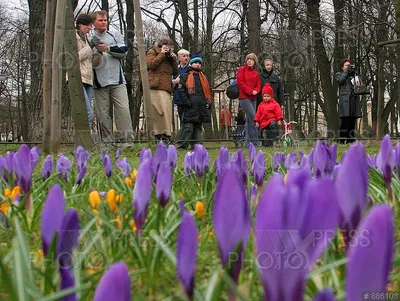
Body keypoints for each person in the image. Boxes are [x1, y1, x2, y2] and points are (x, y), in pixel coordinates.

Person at [90, 10, 134, 146]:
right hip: (99, 81)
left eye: (105, 20)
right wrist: (97, 51)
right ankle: (107, 143)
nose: (103, 22)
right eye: (100, 20)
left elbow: (124, 51)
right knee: (103, 114)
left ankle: (127, 141)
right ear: (93, 23)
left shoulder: (115, 34)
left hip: (118, 80)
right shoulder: (89, 37)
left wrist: (108, 48)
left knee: (123, 110)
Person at [146, 38, 179, 143]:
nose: (168, 48)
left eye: (170, 47)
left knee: (167, 113)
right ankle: (157, 136)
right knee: (158, 113)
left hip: (166, 88)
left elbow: (175, 72)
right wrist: (161, 54)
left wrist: (173, 59)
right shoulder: (153, 52)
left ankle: (166, 136)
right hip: (155, 86)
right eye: (166, 46)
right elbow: (151, 64)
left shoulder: (169, 57)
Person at [177, 53, 211, 149]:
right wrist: (187, 102)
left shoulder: (203, 78)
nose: (198, 64)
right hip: (190, 106)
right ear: (191, 64)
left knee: (198, 128)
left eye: (199, 63)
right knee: (188, 127)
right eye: (195, 62)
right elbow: (181, 91)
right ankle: (184, 145)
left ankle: (197, 145)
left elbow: (207, 92)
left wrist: (207, 102)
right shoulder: (185, 76)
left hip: (201, 106)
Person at [236, 53, 261, 146]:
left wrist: (256, 91)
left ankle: (247, 142)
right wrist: (251, 91)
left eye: (252, 59)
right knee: (254, 118)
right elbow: (240, 83)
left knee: (250, 120)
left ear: (255, 62)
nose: (249, 61)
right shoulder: (241, 70)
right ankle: (255, 142)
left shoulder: (256, 74)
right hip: (244, 98)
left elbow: (259, 85)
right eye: (248, 59)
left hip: (253, 98)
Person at [74, 14, 94, 129]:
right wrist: (90, 47)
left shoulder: (86, 39)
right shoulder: (73, 37)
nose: (90, 28)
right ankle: (85, 143)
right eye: (88, 25)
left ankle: (86, 142)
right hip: (78, 78)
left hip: (88, 79)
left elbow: (89, 62)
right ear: (80, 24)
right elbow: (74, 58)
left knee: (87, 113)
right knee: (88, 113)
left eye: (91, 26)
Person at [335, 58, 361, 144]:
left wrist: (356, 76)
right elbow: (340, 80)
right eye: (346, 65)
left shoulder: (353, 75)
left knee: (352, 119)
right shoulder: (339, 74)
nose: (348, 67)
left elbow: (359, 85)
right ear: (342, 67)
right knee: (345, 119)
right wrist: (346, 71)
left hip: (353, 99)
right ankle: (341, 140)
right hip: (345, 100)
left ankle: (351, 140)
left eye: (349, 65)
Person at [172, 49, 190, 133]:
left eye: (187, 56)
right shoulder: (175, 69)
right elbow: (170, 82)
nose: (186, 58)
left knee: (187, 119)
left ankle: (186, 139)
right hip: (178, 97)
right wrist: (174, 82)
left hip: (188, 98)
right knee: (181, 117)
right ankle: (182, 138)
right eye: (184, 56)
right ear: (179, 58)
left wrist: (182, 81)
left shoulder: (190, 69)